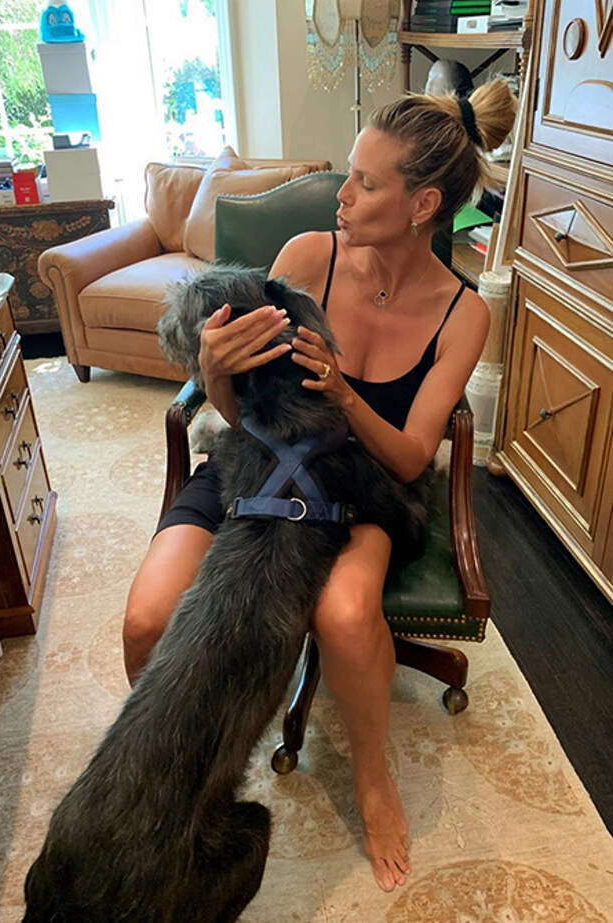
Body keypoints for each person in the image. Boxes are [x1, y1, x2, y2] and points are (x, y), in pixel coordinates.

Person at [123, 79, 516, 892]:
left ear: (423, 205)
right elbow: (238, 412)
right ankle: (172, 778)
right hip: (255, 464)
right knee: (148, 617)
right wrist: (214, 370)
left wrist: (343, 394)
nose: (342, 194)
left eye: (365, 183)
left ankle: (372, 780)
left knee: (343, 613)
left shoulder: (463, 315)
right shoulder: (306, 258)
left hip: (364, 492)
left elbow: (410, 458)